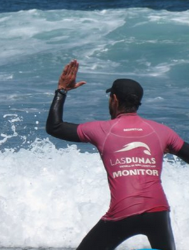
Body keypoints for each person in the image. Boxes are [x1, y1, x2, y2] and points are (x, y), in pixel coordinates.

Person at [45, 59, 189, 250]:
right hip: (158, 212)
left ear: (114, 99)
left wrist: (62, 90)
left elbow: (55, 127)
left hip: (123, 213)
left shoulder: (101, 129)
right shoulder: (161, 131)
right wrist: (170, 150)